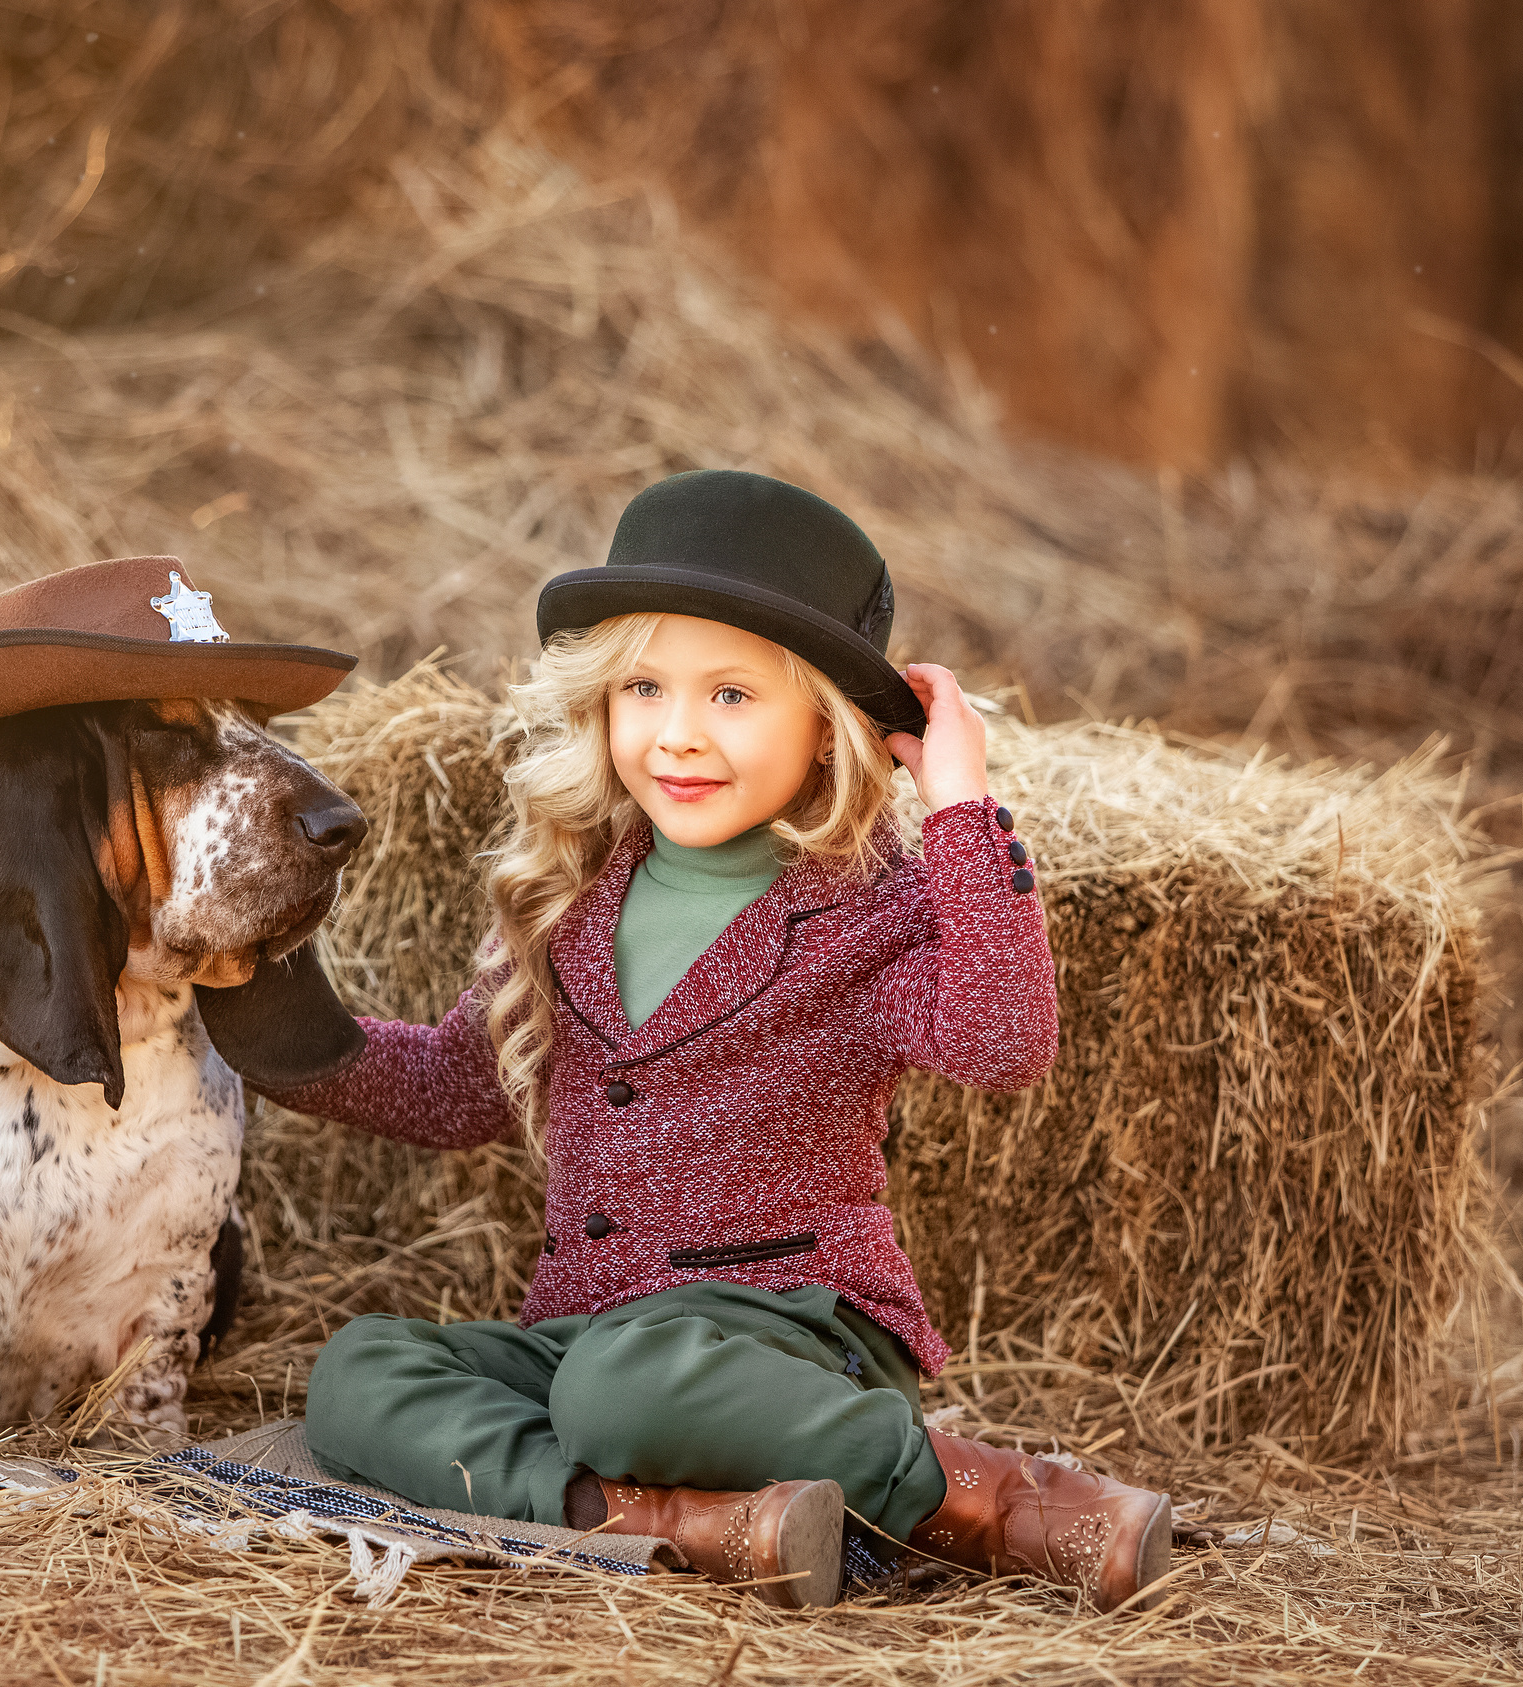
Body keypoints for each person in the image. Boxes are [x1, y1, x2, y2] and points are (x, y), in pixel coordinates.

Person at [262, 470, 1175, 1611]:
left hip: (788, 1336)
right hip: (591, 1331)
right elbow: (461, 1090)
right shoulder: (572, 891)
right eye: (644, 686)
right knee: (363, 1372)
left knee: (618, 1393)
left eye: (733, 695)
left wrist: (957, 801)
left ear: (826, 724)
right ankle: (671, 1524)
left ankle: (989, 1498)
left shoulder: (871, 905)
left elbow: (1003, 1044)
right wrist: (277, 1028)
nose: (678, 735)